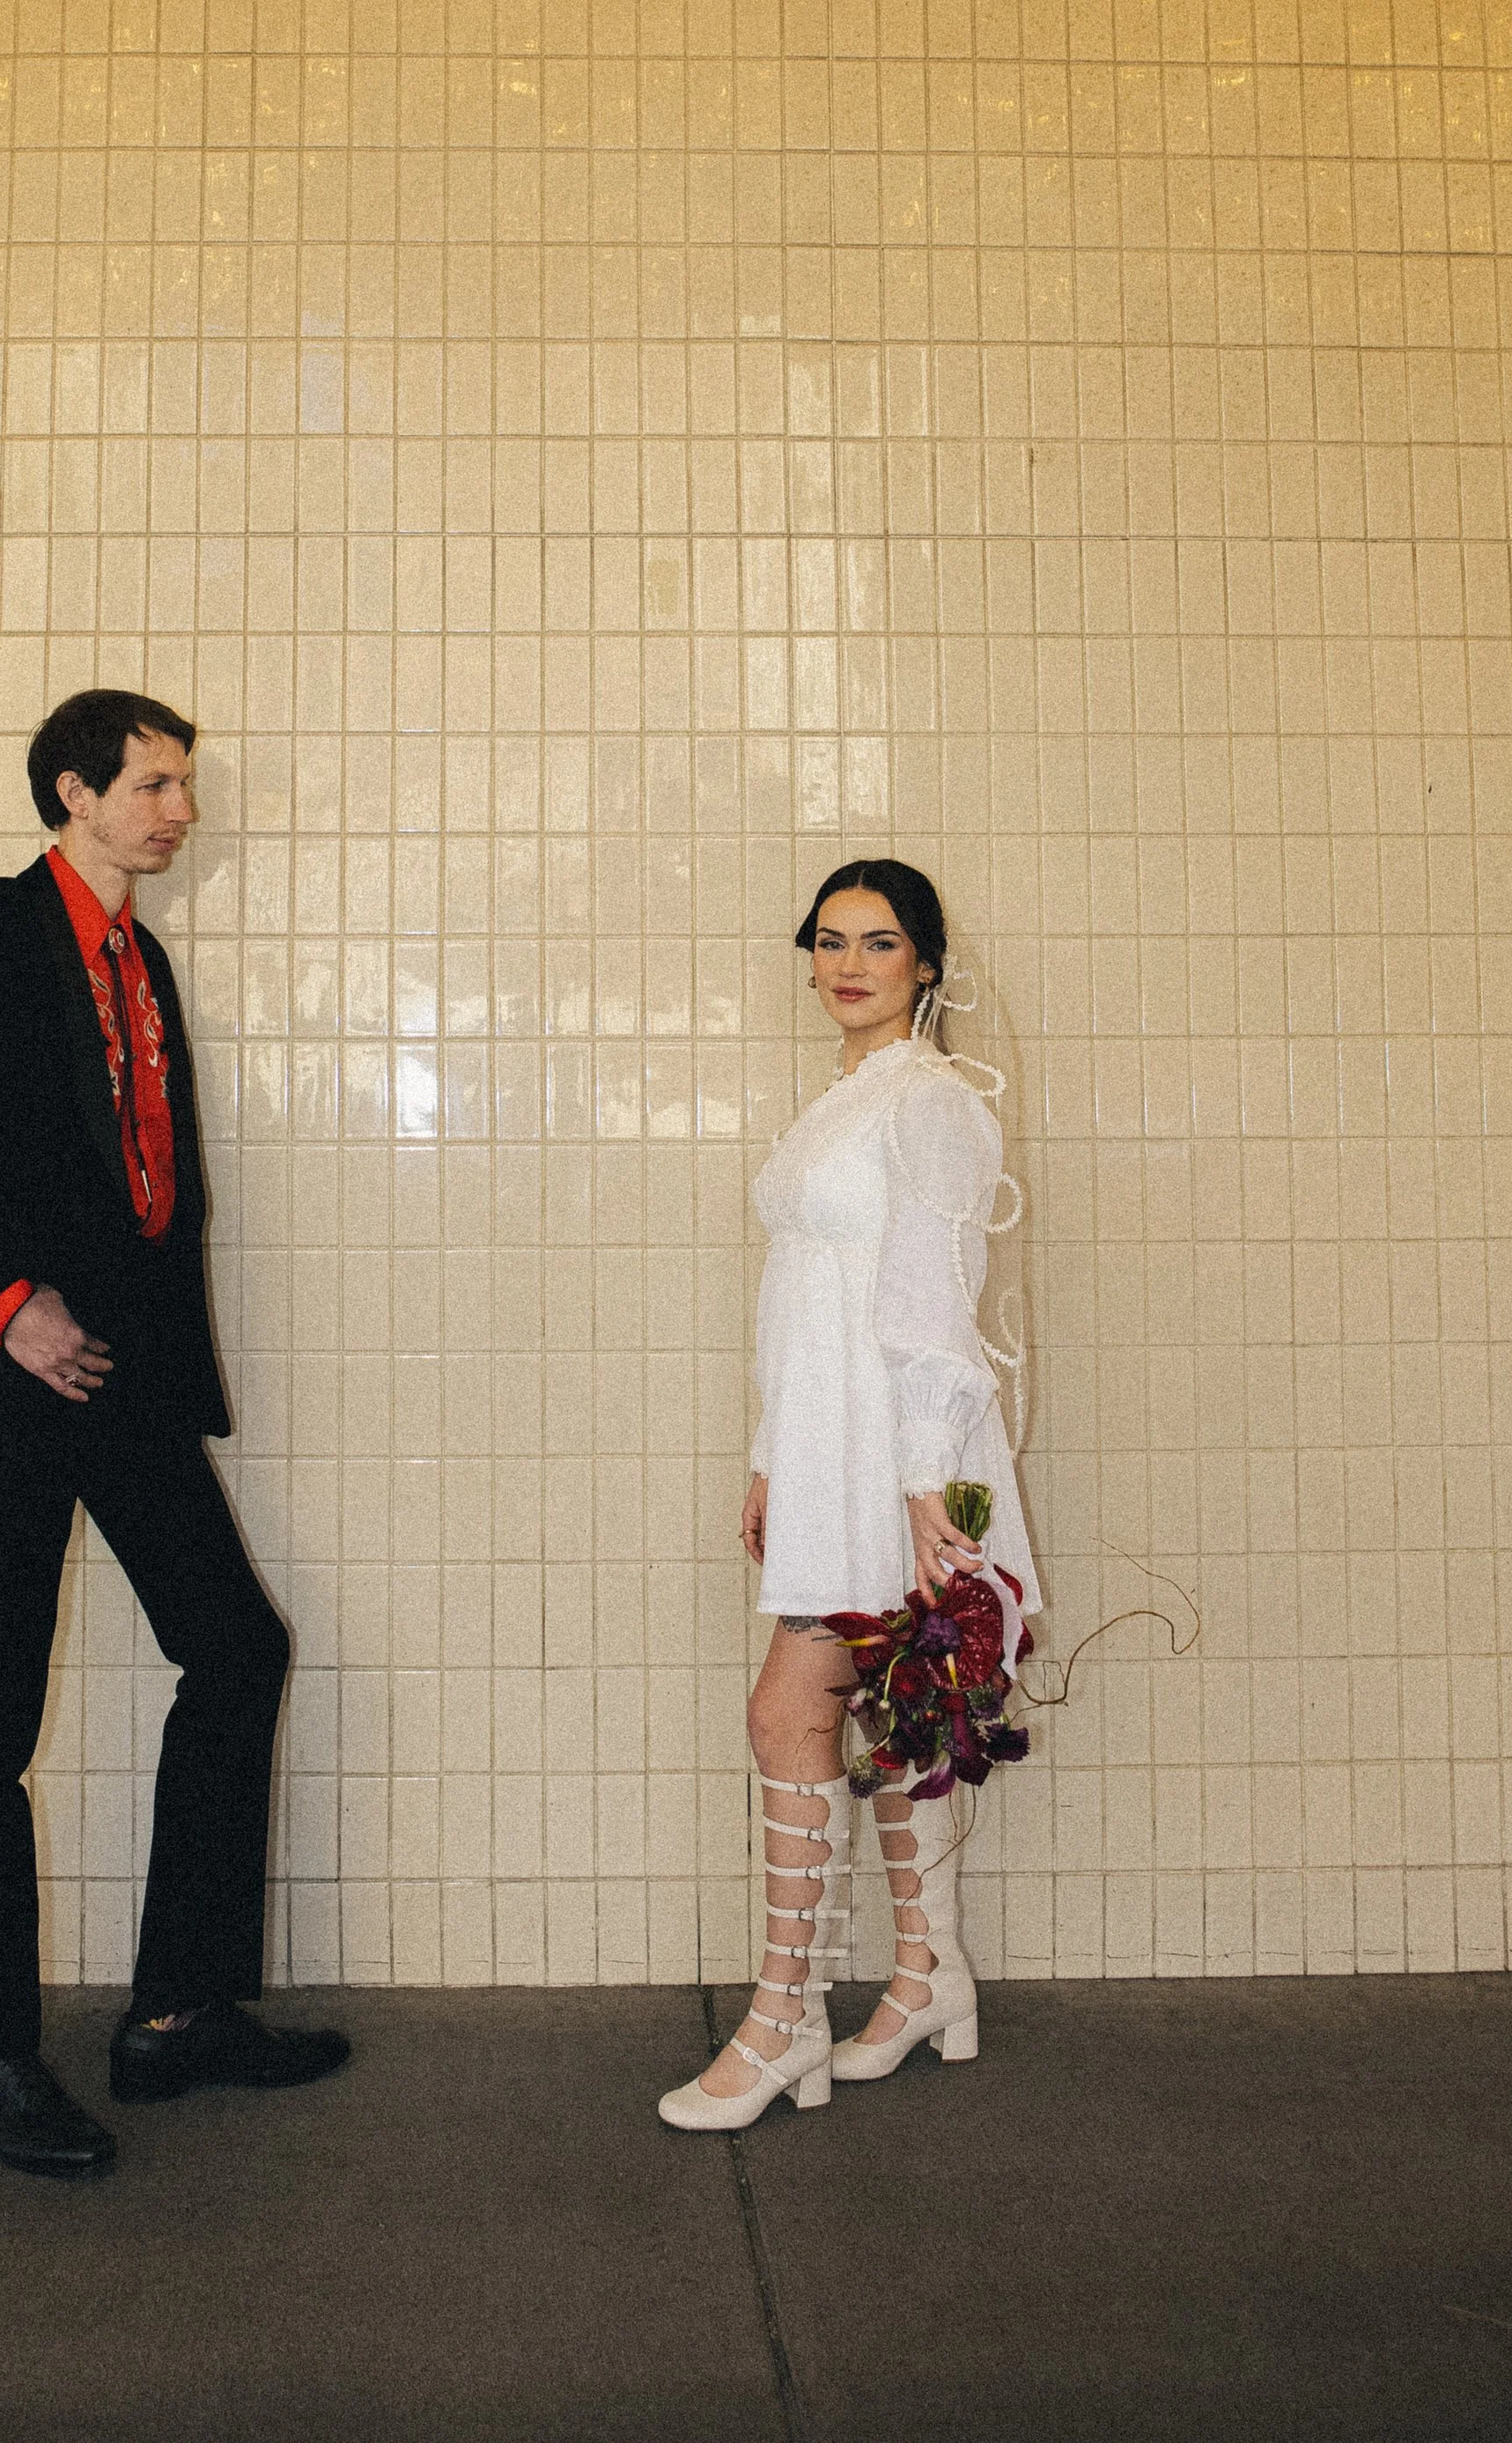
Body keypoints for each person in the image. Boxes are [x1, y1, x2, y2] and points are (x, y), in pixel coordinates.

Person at [0, 690, 347, 2178]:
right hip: (21, 1374)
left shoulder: (140, 958)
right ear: (73, 790)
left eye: (184, 784)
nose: (179, 810)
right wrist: (9, 1306)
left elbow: (144, 1179)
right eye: (154, 783)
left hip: (126, 1375)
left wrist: (150, 1347)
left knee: (235, 1644)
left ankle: (177, 2015)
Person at [659, 856, 1038, 2131]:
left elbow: (938, 1301)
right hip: (827, 1441)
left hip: (896, 1448)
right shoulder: (847, 1096)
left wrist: (929, 1483)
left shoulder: (928, 1099)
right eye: (829, 940)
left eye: (880, 941)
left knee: (791, 1712)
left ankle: (784, 2019)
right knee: (899, 1713)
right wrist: (771, 1449)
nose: (850, 963)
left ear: (926, 963)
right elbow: (797, 1297)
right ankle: (929, 1977)